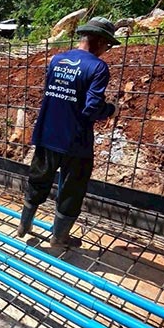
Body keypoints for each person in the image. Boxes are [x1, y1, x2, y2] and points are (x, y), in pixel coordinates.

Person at [17, 16, 119, 248]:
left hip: (47, 133)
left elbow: (51, 93)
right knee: (72, 190)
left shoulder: (57, 60)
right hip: (75, 142)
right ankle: (59, 237)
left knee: (38, 180)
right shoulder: (98, 67)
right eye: (108, 45)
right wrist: (111, 110)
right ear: (100, 41)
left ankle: (24, 224)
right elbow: (92, 108)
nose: (106, 50)